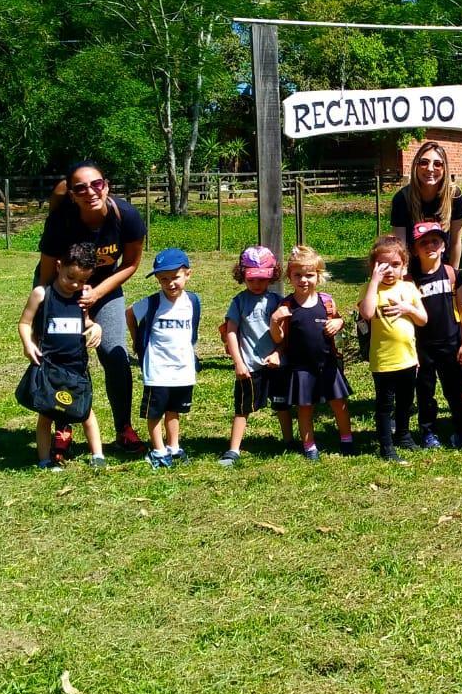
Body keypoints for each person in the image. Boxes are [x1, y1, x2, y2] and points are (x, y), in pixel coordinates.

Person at [37, 161, 146, 456]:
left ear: (106, 185)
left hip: (105, 289)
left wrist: (97, 292)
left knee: (115, 354)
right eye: (81, 188)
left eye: (96, 184)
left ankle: (123, 427)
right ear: (72, 194)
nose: (90, 192)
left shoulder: (127, 217)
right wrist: (45, 312)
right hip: (63, 290)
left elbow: (132, 264)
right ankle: (64, 423)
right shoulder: (61, 221)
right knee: (62, 358)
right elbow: (46, 272)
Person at [17, 242, 106, 469]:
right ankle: (45, 459)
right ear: (59, 267)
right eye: (70, 277)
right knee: (46, 414)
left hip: (76, 367)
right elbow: (25, 323)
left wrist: (95, 327)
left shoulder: (81, 299)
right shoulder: (42, 294)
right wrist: (28, 344)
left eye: (82, 280)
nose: (75, 284)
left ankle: (97, 455)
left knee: (85, 412)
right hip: (49, 366)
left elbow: (85, 322)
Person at [271, 245, 356, 461]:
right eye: (297, 275)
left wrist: (339, 322)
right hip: (301, 367)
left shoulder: (326, 302)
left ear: (318, 276)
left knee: (339, 403)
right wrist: (275, 321)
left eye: (309, 275)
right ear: (289, 277)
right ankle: (309, 446)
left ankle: (347, 439)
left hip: (327, 363)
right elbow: (279, 338)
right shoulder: (287, 305)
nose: (303, 280)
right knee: (305, 407)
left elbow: (337, 320)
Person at [127, 248, 200, 469]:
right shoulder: (152, 303)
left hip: (182, 369)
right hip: (157, 369)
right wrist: (137, 341)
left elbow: (192, 331)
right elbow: (129, 313)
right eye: (163, 279)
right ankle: (158, 449)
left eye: (175, 277)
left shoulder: (193, 302)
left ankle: (173, 446)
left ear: (188, 274)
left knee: (174, 410)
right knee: (155, 411)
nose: (170, 284)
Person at [359, 235, 428, 460]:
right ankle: (386, 446)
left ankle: (403, 435)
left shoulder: (408, 288)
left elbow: (423, 319)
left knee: (406, 401)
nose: (389, 270)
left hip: (407, 358)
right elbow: (367, 313)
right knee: (384, 404)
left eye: (395, 265)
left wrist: (408, 308)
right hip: (383, 360)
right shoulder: (370, 289)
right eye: (383, 265)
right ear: (373, 266)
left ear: (404, 266)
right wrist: (373, 282)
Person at [218, 246, 288, 466]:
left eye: (262, 279)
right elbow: (231, 331)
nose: (257, 284)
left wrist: (278, 353)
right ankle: (233, 449)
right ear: (243, 276)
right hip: (248, 366)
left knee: (282, 405)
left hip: (275, 365)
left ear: (272, 276)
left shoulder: (278, 301)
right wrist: (238, 362)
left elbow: (287, 334)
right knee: (242, 408)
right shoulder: (239, 302)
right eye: (252, 279)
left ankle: (288, 441)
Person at [410, 222, 462, 449]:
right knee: (425, 392)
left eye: (435, 241)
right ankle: (428, 432)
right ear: (414, 249)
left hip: (451, 342)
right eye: (423, 243)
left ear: (444, 245)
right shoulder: (410, 279)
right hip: (423, 346)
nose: (430, 246)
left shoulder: (451, 274)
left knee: (456, 390)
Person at [390, 140, 462, 270]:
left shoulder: (454, 196)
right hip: (412, 268)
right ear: (416, 165)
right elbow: (400, 247)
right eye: (424, 162)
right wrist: (404, 279)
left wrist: (453, 278)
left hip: (443, 268)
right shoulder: (402, 199)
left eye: (437, 164)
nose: (430, 168)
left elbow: (455, 243)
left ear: (445, 169)